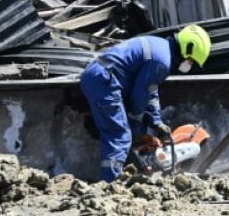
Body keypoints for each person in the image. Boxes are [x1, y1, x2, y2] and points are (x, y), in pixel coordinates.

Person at [79, 25, 211, 182]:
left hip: (101, 76)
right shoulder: (161, 62)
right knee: (120, 135)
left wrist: (156, 122)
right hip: (104, 80)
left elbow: (151, 91)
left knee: (121, 133)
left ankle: (113, 178)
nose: (190, 65)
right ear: (186, 51)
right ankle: (109, 183)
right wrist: (136, 128)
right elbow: (140, 96)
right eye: (191, 61)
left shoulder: (161, 50)